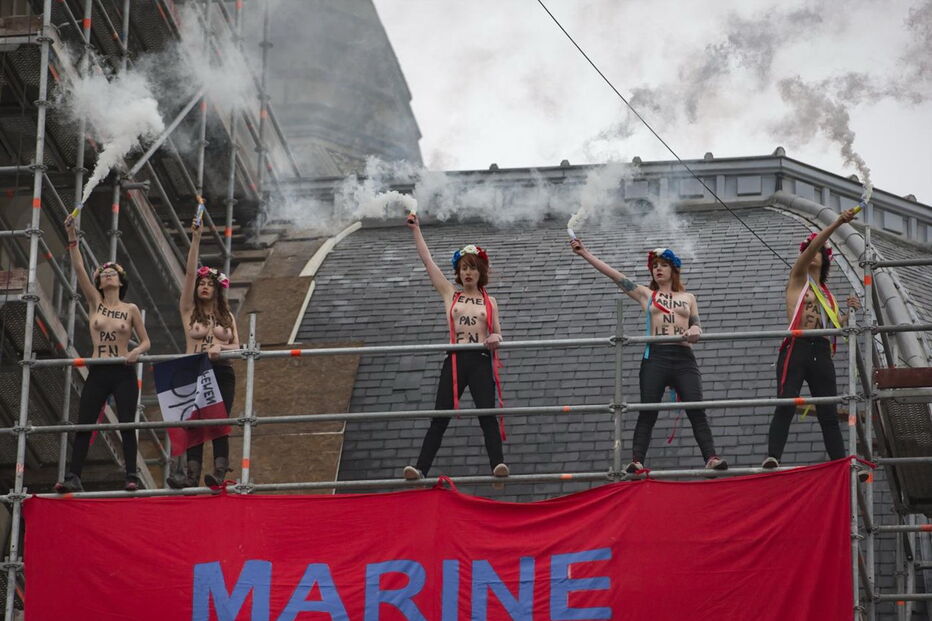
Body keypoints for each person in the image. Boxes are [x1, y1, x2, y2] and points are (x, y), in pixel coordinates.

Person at [571, 238, 727, 473]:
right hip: (656, 356)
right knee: (648, 410)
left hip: (684, 357)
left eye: (663, 265)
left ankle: (711, 458)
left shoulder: (689, 298)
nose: (658, 269)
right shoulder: (647, 295)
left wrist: (695, 330)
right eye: (655, 266)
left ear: (673, 269)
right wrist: (585, 253)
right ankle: (637, 461)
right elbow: (616, 277)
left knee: (696, 408)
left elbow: (696, 324)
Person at [402, 213, 508, 481]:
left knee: (487, 414)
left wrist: (496, 338)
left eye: (472, 267)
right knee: (441, 415)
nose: (468, 272)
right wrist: (416, 230)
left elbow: (498, 333)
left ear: (480, 271)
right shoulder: (451, 293)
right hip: (456, 358)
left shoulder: (490, 301)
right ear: (458, 273)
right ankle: (420, 468)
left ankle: (498, 464)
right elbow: (428, 262)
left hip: (480, 359)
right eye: (463, 268)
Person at [55, 215, 151, 493]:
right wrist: (72, 236)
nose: (107, 274)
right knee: (84, 423)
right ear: (99, 282)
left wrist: (136, 352)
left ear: (121, 281)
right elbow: (79, 268)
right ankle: (74, 476)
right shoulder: (94, 302)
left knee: (127, 423)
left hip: (123, 370)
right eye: (104, 273)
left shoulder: (130, 309)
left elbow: (146, 342)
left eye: (113, 272)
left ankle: (131, 475)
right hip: (98, 369)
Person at [762, 208, 860, 469]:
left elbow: (835, 326)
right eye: (808, 251)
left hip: (821, 350)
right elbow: (815, 245)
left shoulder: (829, 295)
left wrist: (849, 312)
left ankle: (840, 463)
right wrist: (837, 222)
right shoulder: (797, 279)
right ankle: (773, 456)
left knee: (828, 410)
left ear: (825, 260)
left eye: (817, 252)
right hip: (798, 345)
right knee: (787, 401)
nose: (811, 253)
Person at [167, 217, 239, 488]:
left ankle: (219, 471)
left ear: (217, 289)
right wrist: (195, 240)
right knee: (193, 421)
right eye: (201, 283)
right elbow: (188, 275)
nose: (204, 286)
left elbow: (238, 347)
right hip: (194, 368)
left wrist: (222, 347)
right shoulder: (188, 311)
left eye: (209, 283)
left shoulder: (227, 316)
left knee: (219, 420)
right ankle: (190, 475)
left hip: (222, 370)